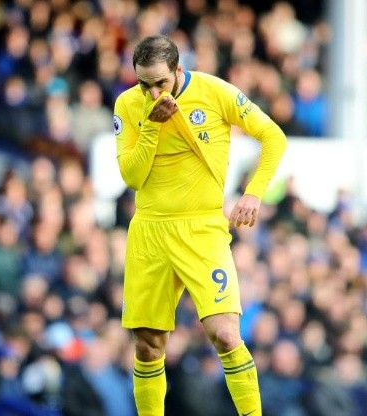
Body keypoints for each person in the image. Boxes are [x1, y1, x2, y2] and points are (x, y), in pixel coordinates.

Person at [113, 34, 287, 416]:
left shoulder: (214, 91)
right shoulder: (128, 105)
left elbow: (272, 136)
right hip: (150, 232)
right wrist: (153, 126)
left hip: (203, 229)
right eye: (144, 83)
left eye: (160, 82)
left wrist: (254, 192)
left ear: (178, 70)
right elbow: (132, 176)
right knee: (147, 345)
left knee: (226, 334)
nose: (152, 91)